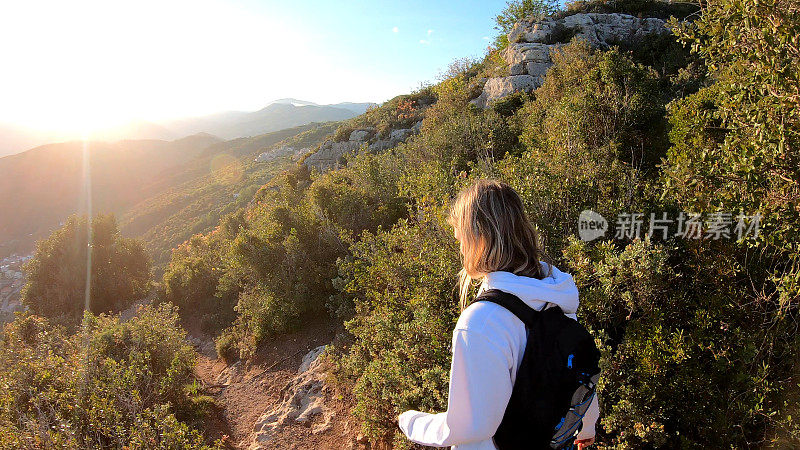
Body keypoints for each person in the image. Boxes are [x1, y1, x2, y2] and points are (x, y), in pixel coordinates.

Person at [397, 179, 599, 449]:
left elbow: (471, 426)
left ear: (478, 239)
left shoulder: (482, 323)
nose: (460, 250)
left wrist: (410, 422)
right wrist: (587, 426)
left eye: (461, 240)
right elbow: (573, 371)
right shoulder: (554, 292)